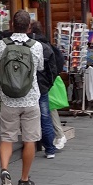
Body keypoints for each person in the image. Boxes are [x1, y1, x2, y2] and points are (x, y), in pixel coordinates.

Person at [0, 10, 44, 185]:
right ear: (29, 26)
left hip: (8, 99)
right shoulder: (36, 46)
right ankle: (24, 179)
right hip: (30, 98)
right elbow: (39, 68)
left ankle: (5, 169)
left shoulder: (2, 44)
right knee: (29, 139)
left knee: (7, 137)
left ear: (12, 24)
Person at [29, 21, 61, 159]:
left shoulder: (25, 45)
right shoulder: (46, 46)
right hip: (42, 86)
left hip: (26, 87)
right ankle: (49, 149)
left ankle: (29, 145)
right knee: (45, 116)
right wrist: (48, 84)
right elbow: (53, 69)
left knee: (27, 116)